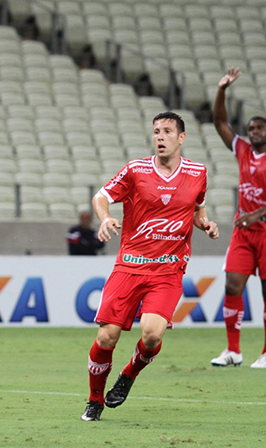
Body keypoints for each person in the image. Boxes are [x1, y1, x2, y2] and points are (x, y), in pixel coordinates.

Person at [81, 111, 219, 422]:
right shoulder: (135, 170)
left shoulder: (198, 172)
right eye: (156, 131)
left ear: (181, 138)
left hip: (168, 270)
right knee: (106, 338)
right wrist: (105, 218)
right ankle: (94, 400)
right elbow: (100, 197)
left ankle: (128, 374)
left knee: (152, 335)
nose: (160, 136)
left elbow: (198, 208)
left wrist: (205, 223)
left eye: (167, 131)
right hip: (129, 266)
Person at [210, 67, 266, 369]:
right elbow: (220, 122)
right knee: (232, 286)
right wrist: (222, 89)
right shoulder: (243, 151)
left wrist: (255, 215)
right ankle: (233, 350)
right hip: (243, 233)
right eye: (250, 128)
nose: (253, 131)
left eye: (259, 128)